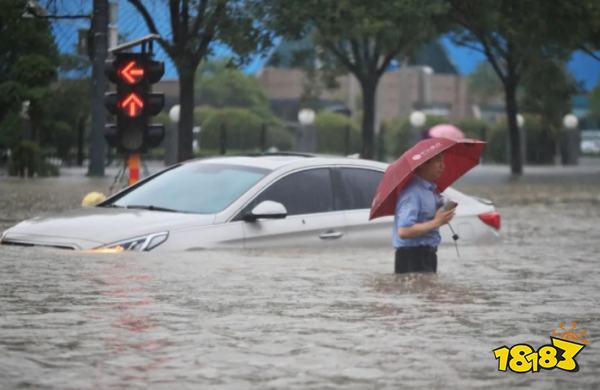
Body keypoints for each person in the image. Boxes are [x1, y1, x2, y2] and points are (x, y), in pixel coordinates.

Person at [393, 153, 456, 273]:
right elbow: (404, 231)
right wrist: (437, 222)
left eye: (443, 161)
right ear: (422, 164)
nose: (443, 165)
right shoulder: (412, 193)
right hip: (412, 257)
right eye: (437, 161)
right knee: (416, 291)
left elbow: (428, 219)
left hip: (428, 254)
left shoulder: (431, 191)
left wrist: (441, 214)